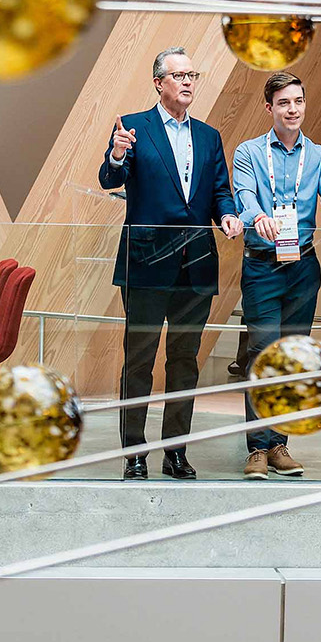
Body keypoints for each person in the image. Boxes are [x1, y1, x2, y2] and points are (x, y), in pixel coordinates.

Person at [100, 46, 244, 481]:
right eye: (178, 75)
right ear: (159, 83)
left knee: (185, 362)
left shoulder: (208, 136)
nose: (187, 82)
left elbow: (220, 190)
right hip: (146, 263)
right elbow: (110, 180)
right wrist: (118, 155)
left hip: (196, 264)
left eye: (192, 75)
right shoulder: (133, 127)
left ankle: (175, 451)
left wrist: (228, 215)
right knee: (138, 361)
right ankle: (135, 453)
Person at [232, 71, 321, 480]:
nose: (293, 109)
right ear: (270, 108)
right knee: (261, 354)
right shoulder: (248, 152)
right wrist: (258, 216)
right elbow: (244, 197)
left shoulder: (319, 156)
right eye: (284, 103)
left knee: (291, 358)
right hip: (262, 266)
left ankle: (280, 444)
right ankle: (257, 447)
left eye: (298, 101)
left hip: (303, 267)